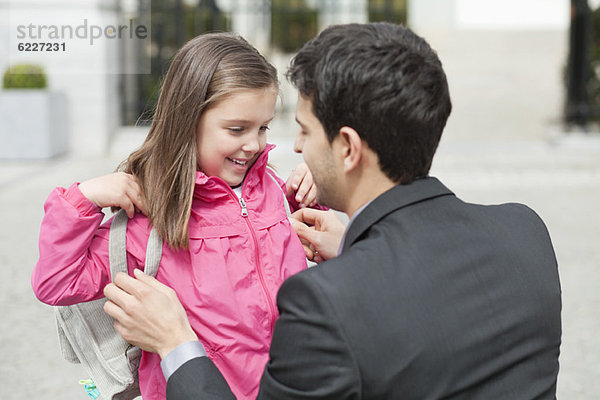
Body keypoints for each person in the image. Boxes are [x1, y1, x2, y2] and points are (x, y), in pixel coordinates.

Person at [103, 23, 562, 399]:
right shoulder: (524, 231)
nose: (295, 145)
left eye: (303, 129)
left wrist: (175, 343)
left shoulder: (322, 302)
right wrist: (357, 252)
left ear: (347, 147)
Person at [31, 32, 322, 400]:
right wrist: (83, 199)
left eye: (262, 127)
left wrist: (316, 194)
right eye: (237, 129)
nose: (254, 144)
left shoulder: (272, 192)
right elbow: (57, 283)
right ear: (187, 119)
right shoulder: (149, 216)